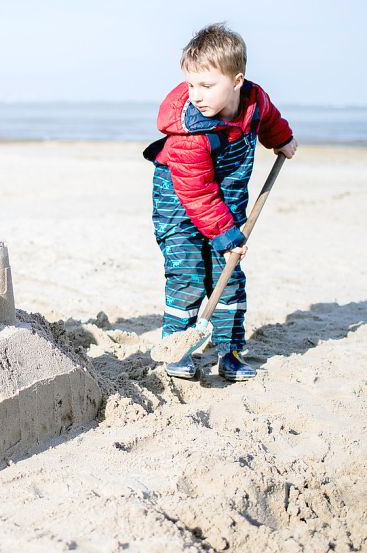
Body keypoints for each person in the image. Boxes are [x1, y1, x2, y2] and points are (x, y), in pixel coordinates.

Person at [144, 23, 297, 382]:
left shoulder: (255, 102)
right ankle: (178, 349)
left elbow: (268, 119)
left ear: (237, 80)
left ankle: (229, 351)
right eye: (191, 84)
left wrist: (282, 139)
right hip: (180, 205)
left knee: (228, 277)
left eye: (207, 86)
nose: (196, 95)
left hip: (225, 203)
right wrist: (226, 237)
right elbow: (197, 193)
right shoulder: (189, 132)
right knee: (188, 275)